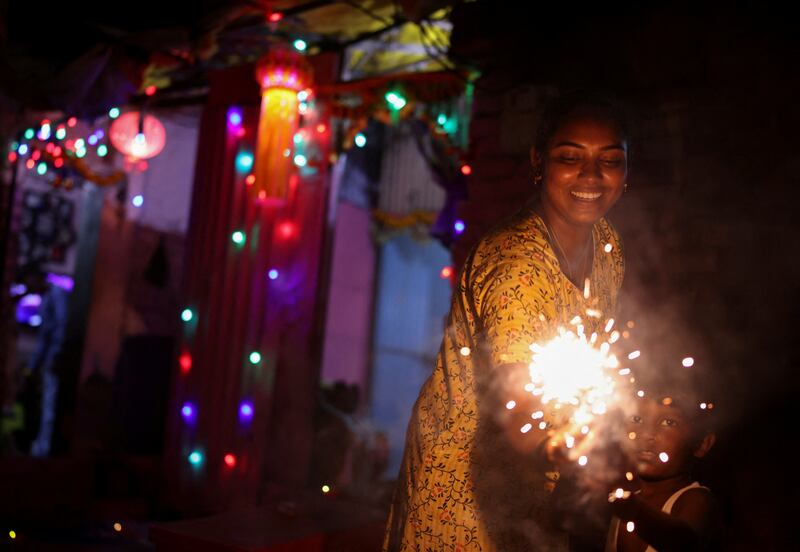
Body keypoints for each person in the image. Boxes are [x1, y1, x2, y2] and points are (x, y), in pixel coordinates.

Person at [383, 91, 630, 551]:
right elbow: (518, 405)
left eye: (610, 160)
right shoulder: (516, 266)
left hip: (542, 468)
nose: (591, 176)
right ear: (539, 162)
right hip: (464, 478)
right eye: (570, 157)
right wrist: (573, 450)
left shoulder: (607, 243)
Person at [605, 380, 722, 552]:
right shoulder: (623, 503)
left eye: (668, 422)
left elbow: (683, 542)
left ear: (703, 443)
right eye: (637, 419)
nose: (647, 434)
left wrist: (635, 511)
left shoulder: (697, 499)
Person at [21, 265, 69, 457]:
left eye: (27, 282)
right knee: (46, 404)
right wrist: (32, 368)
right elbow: (43, 338)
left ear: (34, 277)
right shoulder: (47, 297)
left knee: (50, 404)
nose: (28, 287)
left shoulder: (56, 294)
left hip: (56, 358)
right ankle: (42, 445)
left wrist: (57, 355)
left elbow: (61, 326)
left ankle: (45, 450)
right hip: (50, 358)